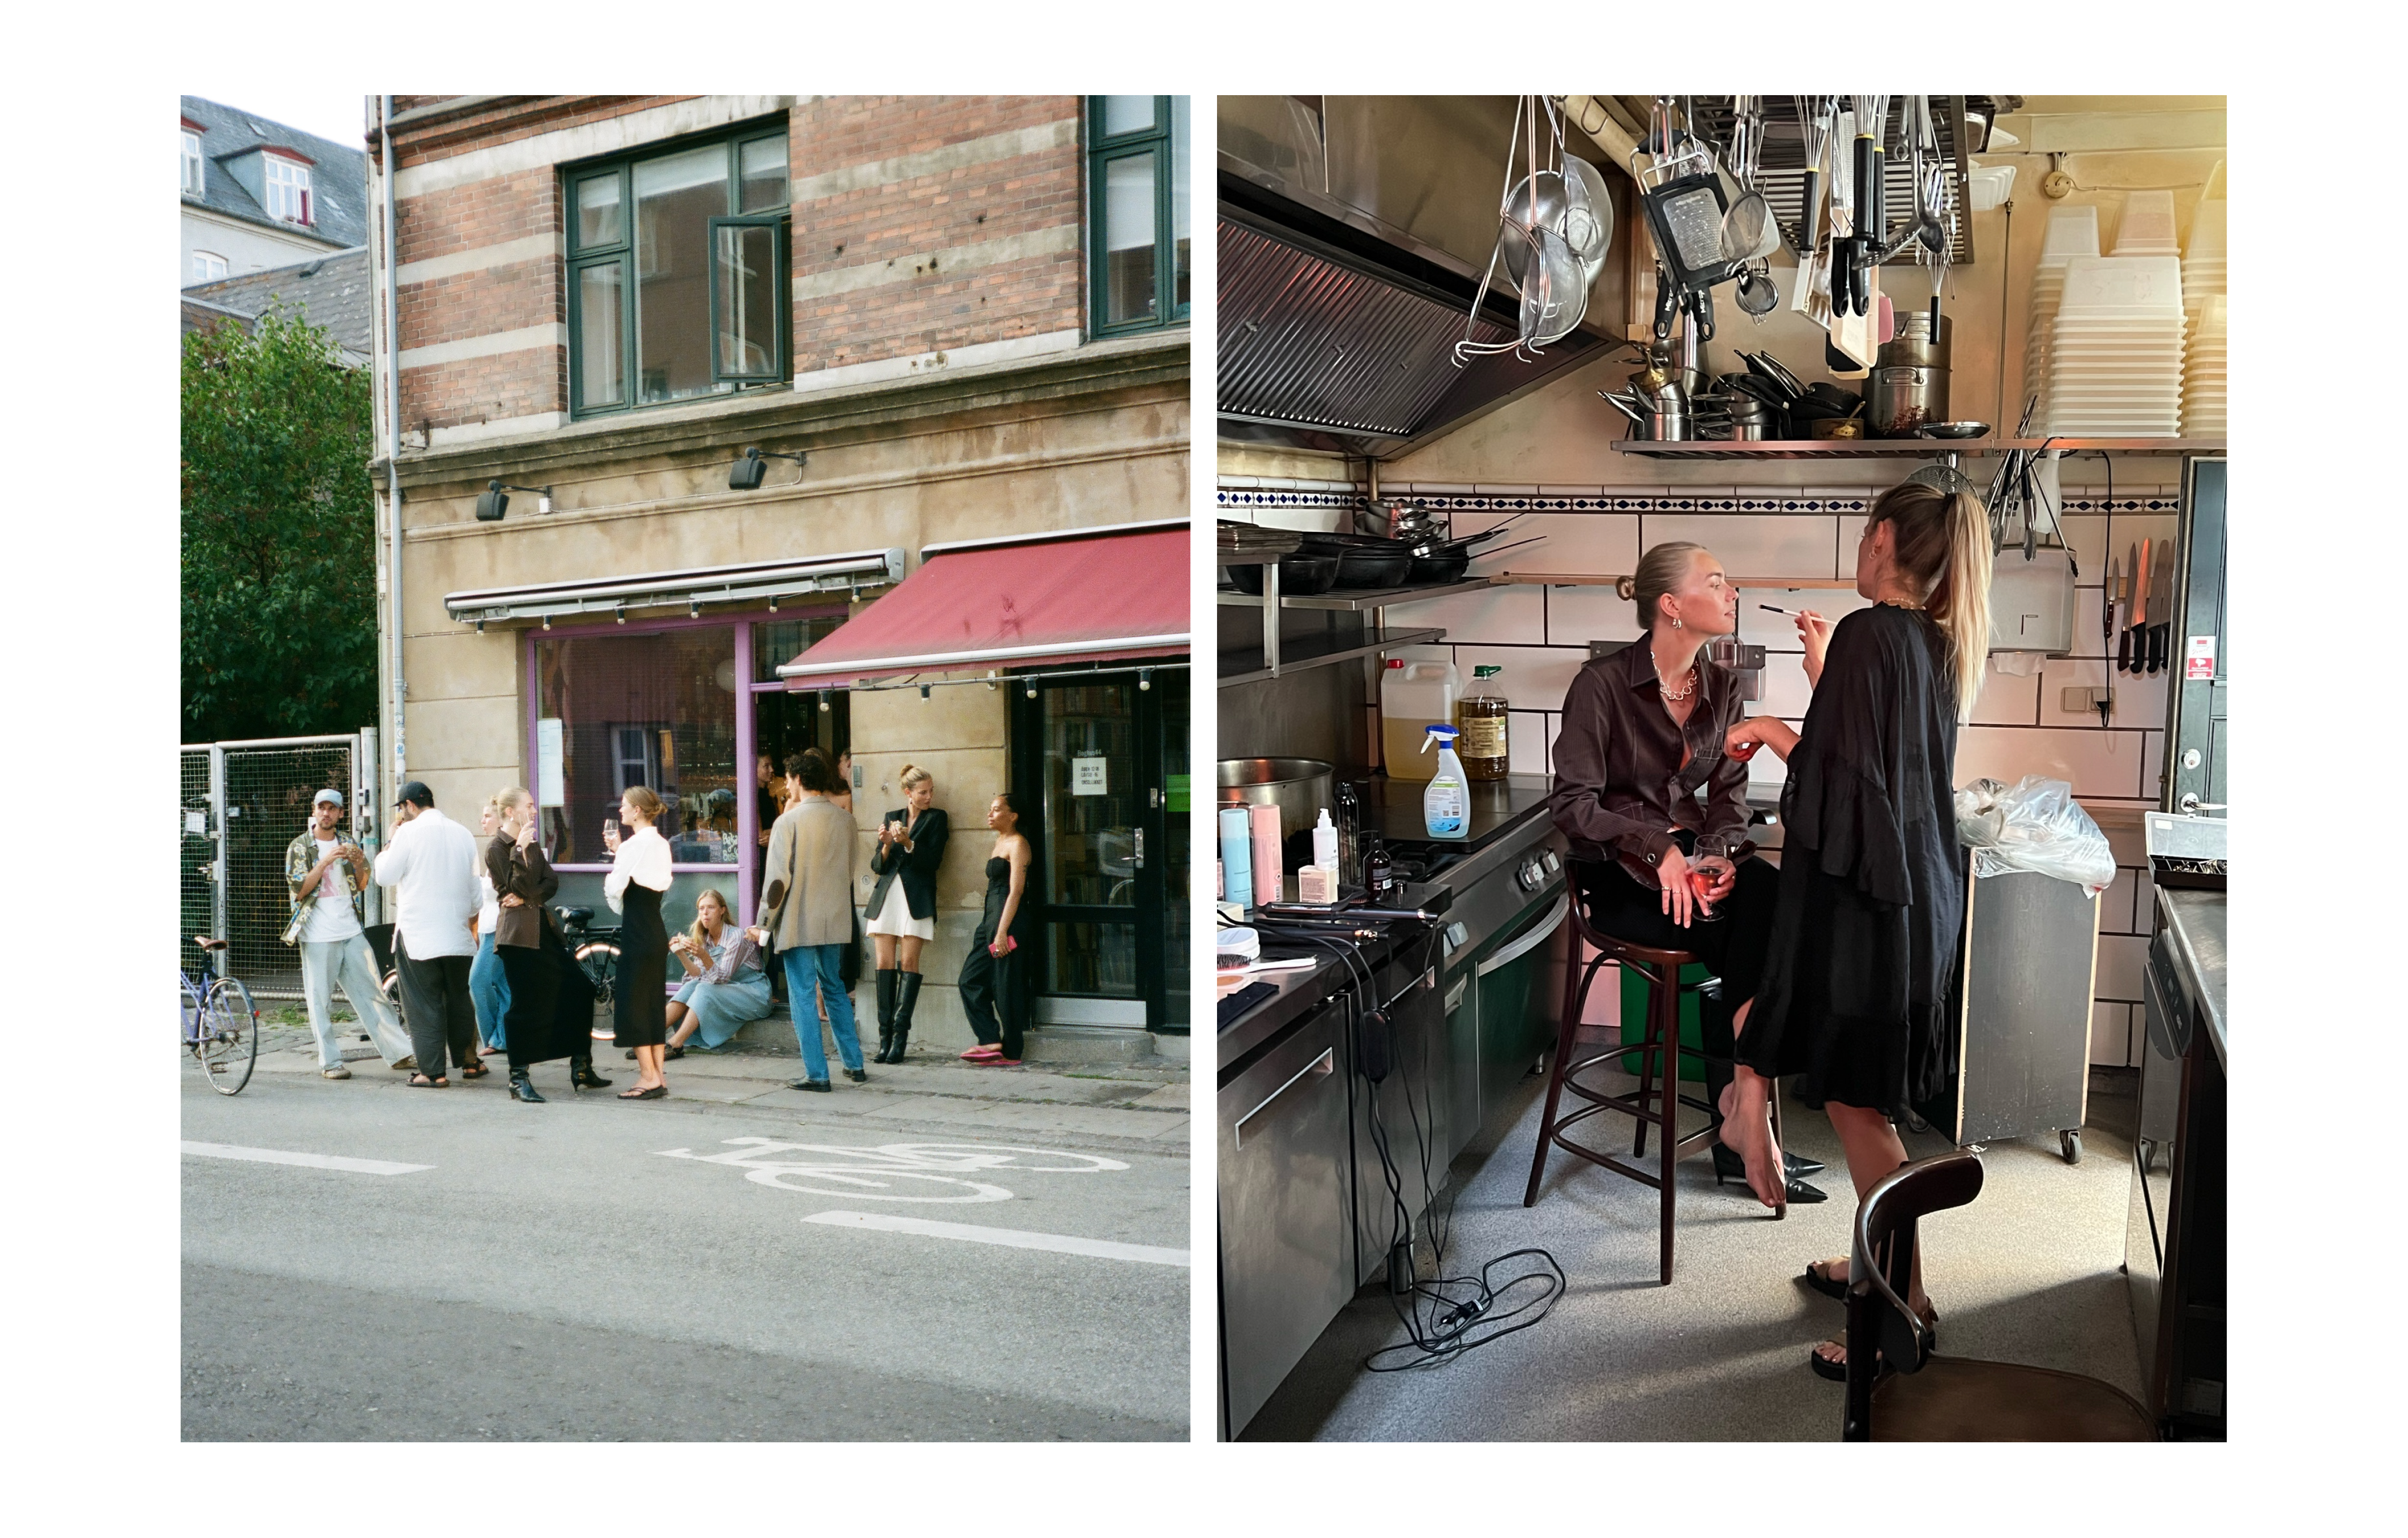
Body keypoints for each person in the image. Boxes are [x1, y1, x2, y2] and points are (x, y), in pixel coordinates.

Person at [1719, 480, 1992, 1381]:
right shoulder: (1929, 641)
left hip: (1869, 911)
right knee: (1864, 1098)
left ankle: (1898, 1307)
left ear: (1880, 538)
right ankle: (1873, 1260)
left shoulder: (1875, 634)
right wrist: (1822, 678)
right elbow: (1872, 766)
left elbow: (1833, 794)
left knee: (1856, 1107)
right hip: (1915, 901)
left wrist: (1769, 725)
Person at [1547, 543, 1826, 1204]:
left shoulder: (1723, 687)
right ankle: (1742, 1117)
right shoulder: (1601, 684)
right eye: (1717, 582)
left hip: (1693, 867)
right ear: (1670, 605)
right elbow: (1572, 804)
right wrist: (1657, 847)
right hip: (1616, 874)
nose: (1732, 592)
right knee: (1738, 922)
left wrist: (1718, 858)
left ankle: (1745, 1102)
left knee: (1777, 902)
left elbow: (1729, 798)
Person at [752, 748, 866, 1090]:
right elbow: (849, 870)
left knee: (802, 993)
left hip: (798, 918)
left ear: (799, 780)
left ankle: (816, 1073)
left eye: (788, 780)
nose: (787, 787)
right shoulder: (846, 820)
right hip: (834, 917)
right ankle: (854, 1063)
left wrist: (763, 924)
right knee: (833, 986)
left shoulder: (787, 822)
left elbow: (776, 881)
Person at [486, 787, 610, 1103]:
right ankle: (518, 1079)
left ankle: (581, 1068)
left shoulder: (532, 845)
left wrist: (527, 894)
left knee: (580, 988)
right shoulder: (497, 848)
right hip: (517, 937)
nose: (534, 810)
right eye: (529, 805)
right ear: (512, 812)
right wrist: (520, 854)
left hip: (543, 931)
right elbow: (518, 884)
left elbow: (550, 883)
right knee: (526, 1004)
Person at [280, 788, 413, 1078]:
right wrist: (326, 862)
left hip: (351, 931)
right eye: (321, 808)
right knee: (320, 1001)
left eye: (332, 808)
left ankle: (400, 1053)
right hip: (317, 935)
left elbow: (362, 884)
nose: (326, 813)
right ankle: (330, 1062)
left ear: (341, 813)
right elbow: (300, 889)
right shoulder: (300, 846)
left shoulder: (347, 841)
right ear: (314, 811)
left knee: (374, 994)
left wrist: (358, 861)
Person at [372, 781, 481, 1087]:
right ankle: (470, 1063)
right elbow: (476, 893)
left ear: (408, 806)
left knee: (423, 1003)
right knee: (459, 1000)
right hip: (458, 934)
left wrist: (391, 842)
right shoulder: (463, 833)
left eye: (402, 810)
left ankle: (433, 1072)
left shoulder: (407, 833)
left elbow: (384, 875)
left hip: (419, 934)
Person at [865, 764, 948, 1063]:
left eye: (931, 791)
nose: (929, 796)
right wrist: (887, 846)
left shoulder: (938, 819)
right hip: (887, 897)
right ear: (908, 793)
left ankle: (900, 1040)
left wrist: (908, 843)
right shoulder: (892, 817)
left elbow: (932, 862)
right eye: (923, 792)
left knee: (909, 962)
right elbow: (877, 867)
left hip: (917, 898)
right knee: (884, 963)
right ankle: (884, 1041)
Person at [604, 785, 673, 1100]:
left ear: (637, 811)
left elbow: (615, 892)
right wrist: (623, 853)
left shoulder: (633, 846)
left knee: (633, 1004)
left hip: (635, 929)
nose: (620, 811)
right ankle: (658, 1075)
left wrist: (620, 855)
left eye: (624, 806)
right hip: (655, 930)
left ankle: (648, 1076)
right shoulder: (661, 844)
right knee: (652, 1005)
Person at [957, 792, 1032, 1066]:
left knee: (1005, 986)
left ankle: (1012, 1051)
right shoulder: (999, 841)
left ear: (1013, 815)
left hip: (1007, 918)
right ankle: (989, 1039)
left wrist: (1002, 931)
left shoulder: (1019, 843)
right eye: (990, 809)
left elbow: (1016, 891)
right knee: (969, 979)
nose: (990, 814)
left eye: (997, 809)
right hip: (990, 917)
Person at [665, 888, 772, 1054]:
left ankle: (676, 1043)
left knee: (704, 988)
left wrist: (703, 955)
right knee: (692, 986)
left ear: (722, 910)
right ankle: (650, 1039)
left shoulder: (736, 936)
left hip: (754, 995)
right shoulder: (704, 939)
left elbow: (721, 978)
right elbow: (696, 977)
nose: (705, 913)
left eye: (711, 908)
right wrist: (681, 953)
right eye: (701, 909)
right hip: (726, 992)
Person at [468, 797, 511, 1059]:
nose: (482, 821)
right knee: (502, 985)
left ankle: (494, 1039)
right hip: (487, 929)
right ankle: (502, 1038)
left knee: (478, 982)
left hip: (498, 929)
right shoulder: (493, 850)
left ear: (499, 818)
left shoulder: (500, 851)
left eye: (487, 816)